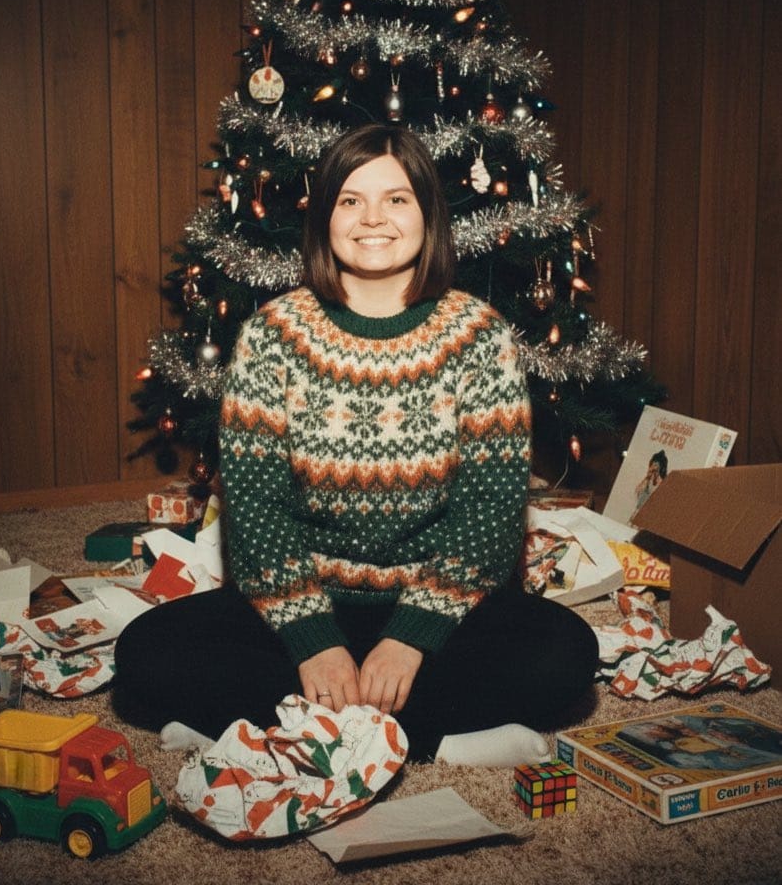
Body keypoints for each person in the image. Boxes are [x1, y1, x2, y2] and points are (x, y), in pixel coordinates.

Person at [114, 124, 599, 766]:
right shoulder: (272, 335)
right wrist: (312, 639)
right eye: (351, 200)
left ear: (428, 215)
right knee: (144, 655)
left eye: (397, 199)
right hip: (304, 599)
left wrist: (411, 638)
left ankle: (292, 728)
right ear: (324, 217)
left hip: (439, 607)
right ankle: (432, 739)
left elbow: (488, 511)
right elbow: (257, 510)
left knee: (566, 657)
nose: (374, 218)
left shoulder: (481, 336)